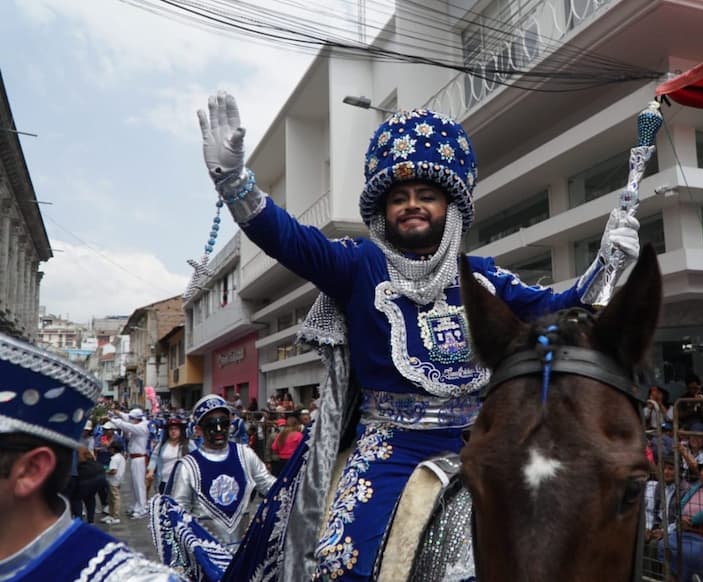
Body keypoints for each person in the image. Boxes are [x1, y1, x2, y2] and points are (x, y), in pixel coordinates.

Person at [201, 91, 642, 580]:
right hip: (389, 445)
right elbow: (290, 239)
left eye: (426, 195)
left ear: (449, 206)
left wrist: (607, 265)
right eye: (399, 197)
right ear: (383, 209)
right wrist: (236, 183)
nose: (412, 205)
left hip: (481, 439)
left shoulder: (484, 278)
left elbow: (552, 310)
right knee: (342, 560)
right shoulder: (357, 265)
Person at [0, 331, 185, 581]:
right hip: (139, 460)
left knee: (140, 491)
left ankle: (141, 507)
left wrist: (115, 417)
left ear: (31, 470)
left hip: (141, 460)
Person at [165, 394, 276, 546]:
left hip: (245, 552)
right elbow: (177, 514)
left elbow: (270, 486)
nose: (219, 430)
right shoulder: (188, 466)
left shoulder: (245, 454)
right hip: (206, 555)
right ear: (198, 430)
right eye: (211, 425)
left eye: (223, 423)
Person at [659, 456, 703, 582]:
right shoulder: (696, 487)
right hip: (685, 531)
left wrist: (691, 520)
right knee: (664, 544)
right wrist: (681, 518)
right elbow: (680, 505)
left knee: (694, 554)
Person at [644, 455, 690, 576]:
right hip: (660, 525)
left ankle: (654, 577)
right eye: (664, 468)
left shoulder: (685, 490)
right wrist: (652, 529)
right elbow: (655, 512)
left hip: (675, 529)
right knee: (643, 539)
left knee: (655, 545)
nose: (666, 472)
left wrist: (664, 531)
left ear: (679, 471)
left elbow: (681, 520)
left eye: (670, 468)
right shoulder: (660, 486)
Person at [109, 407, 150, 518]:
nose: (130, 419)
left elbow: (127, 425)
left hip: (139, 458)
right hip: (133, 458)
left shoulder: (142, 427)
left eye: (132, 418)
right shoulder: (139, 423)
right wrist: (118, 412)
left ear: (137, 419)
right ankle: (135, 505)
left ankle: (142, 508)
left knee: (139, 484)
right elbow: (128, 418)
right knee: (133, 484)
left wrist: (113, 419)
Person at [146, 416, 195, 494]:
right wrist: (151, 471)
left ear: (180, 430)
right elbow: (154, 457)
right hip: (163, 481)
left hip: (182, 482)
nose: (173, 431)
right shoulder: (162, 444)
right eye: (171, 429)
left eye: (176, 429)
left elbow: (196, 459)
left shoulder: (188, 444)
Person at [70, 446, 106, 524]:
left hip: (87, 476)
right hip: (100, 473)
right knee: (90, 497)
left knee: (76, 498)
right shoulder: (82, 448)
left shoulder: (73, 449)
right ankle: (90, 521)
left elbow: (73, 469)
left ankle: (78, 521)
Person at [101, 441, 126, 525]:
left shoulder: (114, 458)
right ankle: (111, 514)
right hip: (118, 480)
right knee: (111, 498)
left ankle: (115, 515)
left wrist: (105, 471)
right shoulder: (121, 457)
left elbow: (113, 470)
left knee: (114, 498)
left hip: (113, 480)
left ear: (113, 449)